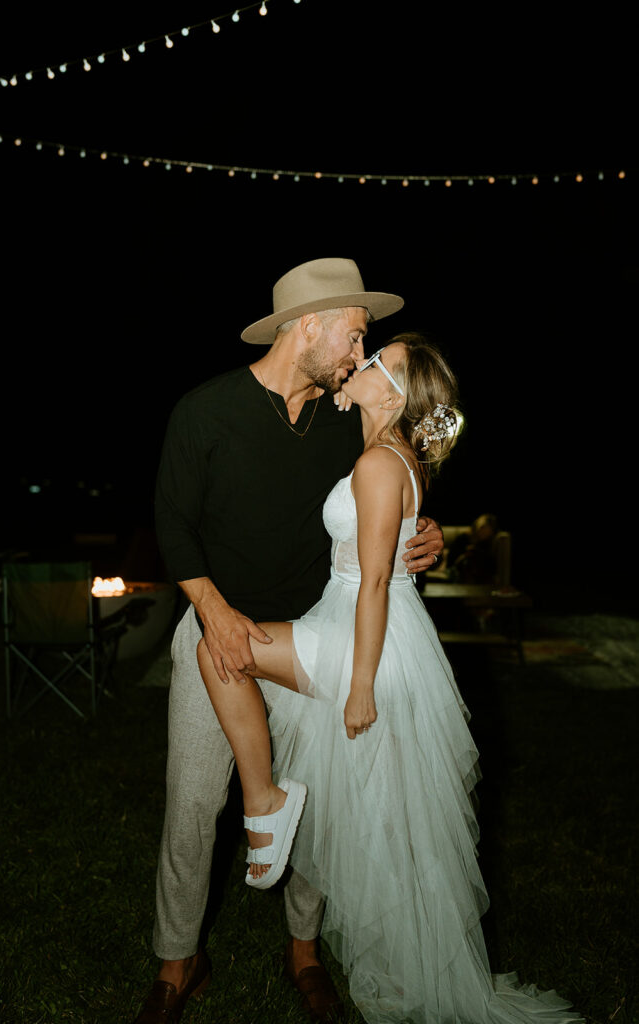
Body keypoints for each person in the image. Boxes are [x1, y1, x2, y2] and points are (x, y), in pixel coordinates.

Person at [196, 337, 584, 1024]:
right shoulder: (391, 457)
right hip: (363, 625)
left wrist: (360, 686)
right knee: (386, 818)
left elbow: (374, 578)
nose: (362, 362)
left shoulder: (379, 461)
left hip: (360, 635)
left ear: (393, 394)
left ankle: (264, 803)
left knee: (218, 648)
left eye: (375, 362)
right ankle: (400, 951)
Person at [133, 258, 445, 1024]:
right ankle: (178, 962)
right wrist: (212, 610)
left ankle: (303, 951)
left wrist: (426, 532)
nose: (358, 353)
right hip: (217, 629)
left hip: (316, 642)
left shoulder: (350, 417)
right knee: (195, 804)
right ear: (307, 325)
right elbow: (171, 523)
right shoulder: (205, 410)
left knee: (325, 801)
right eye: (353, 333)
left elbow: (395, 480)